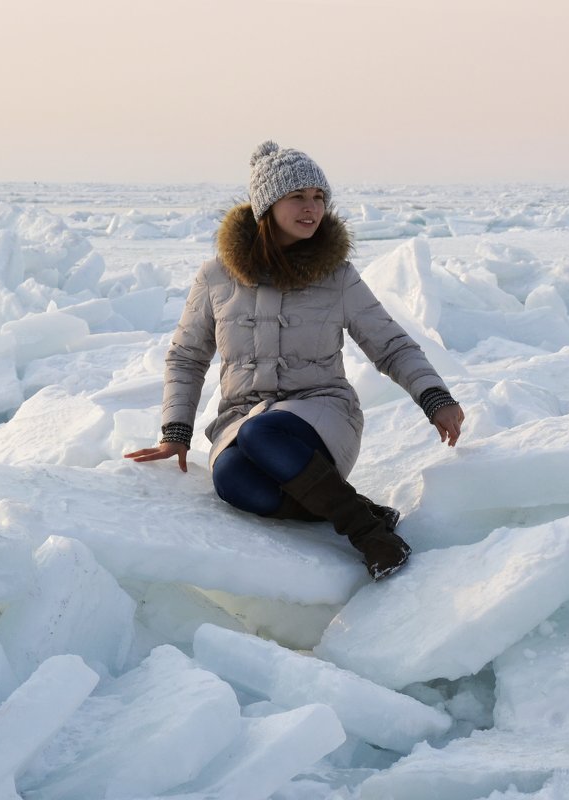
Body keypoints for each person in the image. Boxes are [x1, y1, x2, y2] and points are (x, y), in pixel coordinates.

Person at [125, 141, 465, 580]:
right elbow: (187, 356)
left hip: (321, 416)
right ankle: (361, 508)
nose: (312, 208)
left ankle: (369, 534)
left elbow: (390, 344)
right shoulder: (216, 275)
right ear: (267, 206)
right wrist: (176, 430)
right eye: (297, 197)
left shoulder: (337, 275)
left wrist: (435, 397)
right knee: (232, 480)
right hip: (241, 416)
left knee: (263, 431)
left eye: (319, 197)